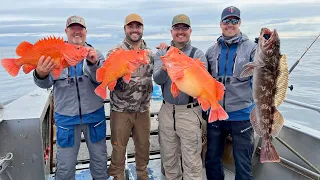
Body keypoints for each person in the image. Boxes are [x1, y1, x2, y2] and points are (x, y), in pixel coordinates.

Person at [33, 16, 108, 180]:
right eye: (73, 28)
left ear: (86, 32)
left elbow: (102, 80)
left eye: (80, 28)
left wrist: (94, 64)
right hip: (66, 119)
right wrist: (40, 73)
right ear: (66, 31)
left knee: (100, 160)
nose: (77, 31)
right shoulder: (56, 53)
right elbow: (45, 84)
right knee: (65, 166)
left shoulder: (97, 55)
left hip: (94, 116)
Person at [153, 14, 207, 180]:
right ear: (171, 31)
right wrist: (164, 68)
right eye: (177, 28)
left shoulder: (198, 55)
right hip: (167, 111)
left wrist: (184, 69)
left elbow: (201, 85)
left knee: (192, 160)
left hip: (190, 113)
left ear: (190, 31)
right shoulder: (162, 53)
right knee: (169, 159)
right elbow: (157, 79)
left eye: (184, 28)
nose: (180, 32)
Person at [205, 6, 256, 180]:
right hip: (216, 114)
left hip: (242, 115)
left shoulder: (253, 48)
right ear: (221, 24)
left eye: (234, 20)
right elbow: (203, 79)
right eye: (227, 20)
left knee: (243, 162)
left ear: (240, 23)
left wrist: (268, 42)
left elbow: (268, 66)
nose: (230, 24)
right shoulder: (211, 51)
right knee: (212, 159)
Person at [106, 13, 154, 180]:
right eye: (131, 26)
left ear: (142, 29)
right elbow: (108, 78)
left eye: (138, 26)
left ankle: (143, 174)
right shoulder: (115, 52)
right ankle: (118, 176)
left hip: (143, 110)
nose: (135, 30)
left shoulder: (150, 54)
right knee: (119, 148)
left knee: (144, 146)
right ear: (125, 29)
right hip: (121, 111)